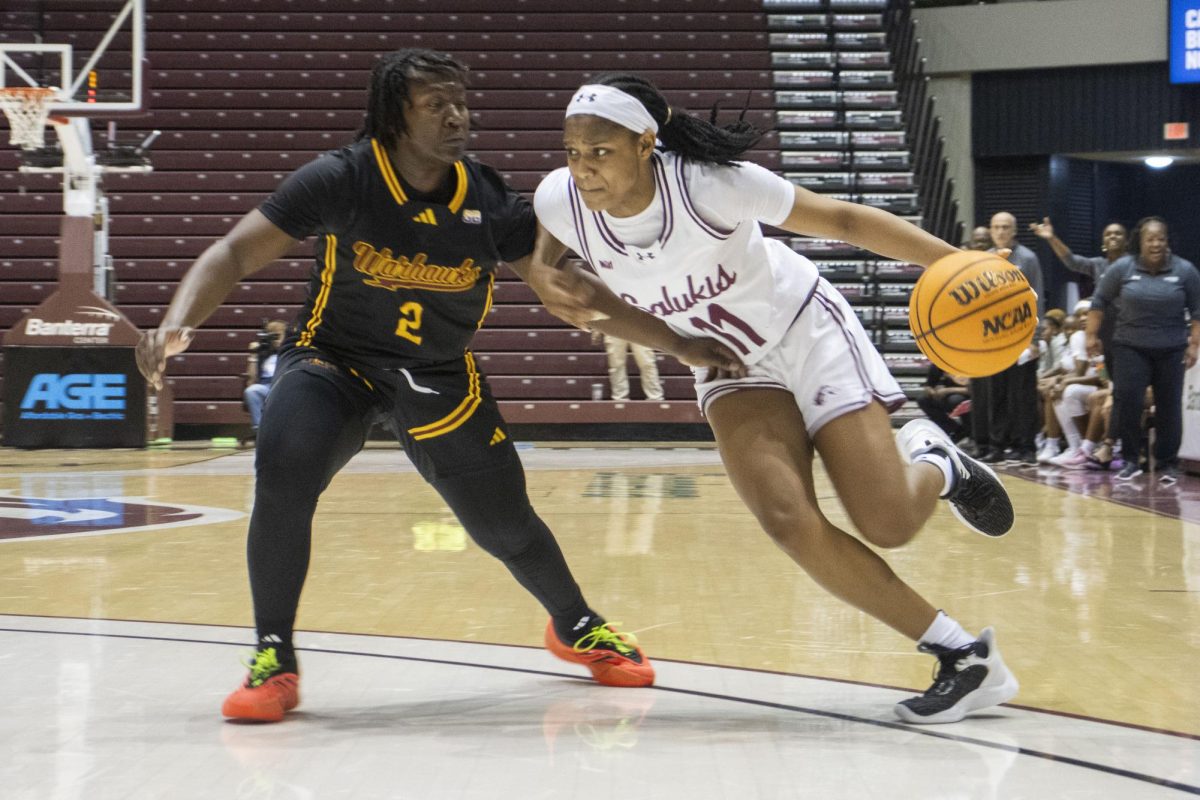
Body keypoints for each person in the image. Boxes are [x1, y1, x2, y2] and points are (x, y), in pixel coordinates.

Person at [134, 50, 737, 722]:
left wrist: (681, 343)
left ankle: (575, 623)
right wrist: (176, 323)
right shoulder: (343, 178)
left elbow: (569, 286)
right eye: (436, 105)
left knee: (506, 524)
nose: (457, 116)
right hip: (336, 363)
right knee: (283, 467)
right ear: (397, 115)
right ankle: (274, 657)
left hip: (437, 374)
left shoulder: (484, 196)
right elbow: (235, 251)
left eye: (461, 102)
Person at [526, 73, 1018, 724]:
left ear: (647, 143)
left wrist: (960, 265)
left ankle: (937, 462)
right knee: (788, 521)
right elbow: (563, 282)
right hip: (728, 361)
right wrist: (667, 340)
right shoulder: (560, 202)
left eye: (601, 151)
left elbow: (840, 219)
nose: (583, 168)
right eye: (572, 152)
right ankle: (964, 658)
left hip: (802, 326)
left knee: (889, 523)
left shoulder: (709, 184)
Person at [1088, 217, 1200, 483]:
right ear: (1140, 241)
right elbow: (1099, 301)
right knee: (1128, 402)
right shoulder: (1122, 268)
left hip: (1171, 349)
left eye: (1160, 238)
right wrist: (1091, 334)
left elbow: (1197, 311)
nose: (1156, 244)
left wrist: (1194, 344)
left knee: (1169, 407)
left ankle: (1167, 462)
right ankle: (1129, 460)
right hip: (1130, 347)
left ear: (1167, 241)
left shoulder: (1185, 270)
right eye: (1150, 239)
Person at [242, 319, 287, 441]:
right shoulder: (263, 353)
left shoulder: (289, 352)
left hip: (284, 385)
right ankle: (259, 430)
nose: (275, 340)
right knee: (252, 391)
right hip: (266, 386)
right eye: (272, 336)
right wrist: (253, 356)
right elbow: (251, 380)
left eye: (278, 336)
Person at [591, 329, 664, 400]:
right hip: (613, 324)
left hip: (639, 324)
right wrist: (596, 328)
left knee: (647, 363)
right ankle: (620, 398)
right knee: (616, 365)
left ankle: (655, 396)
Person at [916, 365, 971, 443]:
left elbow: (973, 390)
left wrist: (947, 390)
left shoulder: (971, 363)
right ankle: (956, 430)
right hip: (946, 398)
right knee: (923, 400)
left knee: (956, 400)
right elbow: (928, 386)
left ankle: (970, 432)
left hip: (970, 398)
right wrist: (932, 392)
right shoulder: (937, 364)